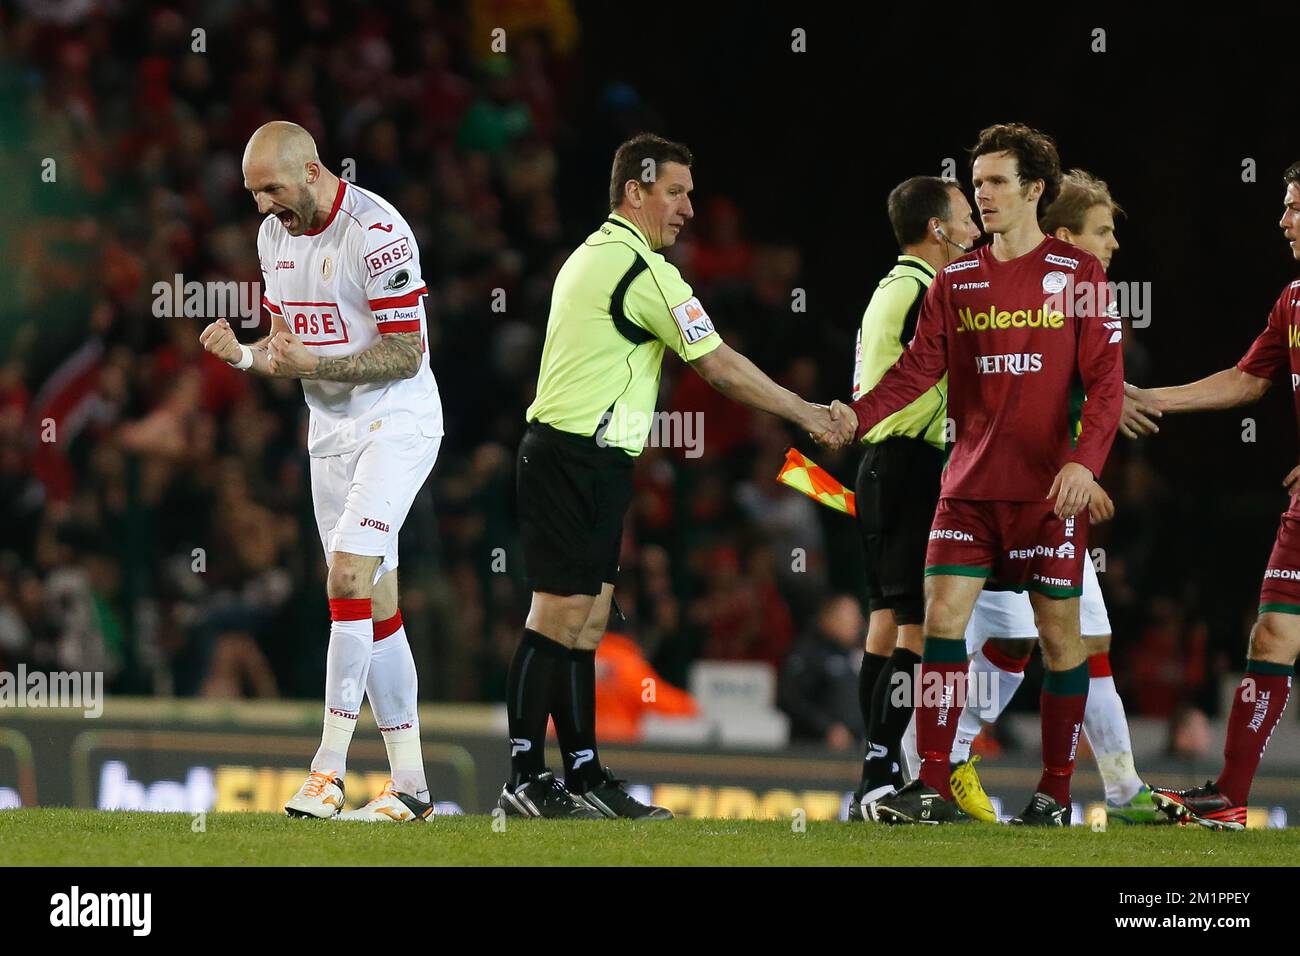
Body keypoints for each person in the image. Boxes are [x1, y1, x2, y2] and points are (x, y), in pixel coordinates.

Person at [500, 132, 852, 819]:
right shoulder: (642, 270)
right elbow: (717, 365)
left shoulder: (593, 256)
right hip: (571, 455)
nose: (689, 207)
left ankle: (582, 775)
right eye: (677, 192)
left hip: (592, 459)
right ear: (637, 190)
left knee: (588, 621)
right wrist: (805, 412)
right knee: (559, 613)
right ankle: (523, 773)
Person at [843, 124, 1124, 825]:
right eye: (977, 184)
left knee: (1062, 641)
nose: (983, 195)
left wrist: (1084, 465)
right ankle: (932, 783)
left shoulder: (1078, 275)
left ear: (1036, 189)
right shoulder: (956, 279)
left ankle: (1055, 793)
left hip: (1045, 494)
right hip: (965, 488)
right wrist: (853, 417)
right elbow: (917, 369)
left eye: (997, 183)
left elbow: (1108, 383)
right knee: (940, 622)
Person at [199, 121, 442, 822]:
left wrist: (320, 367)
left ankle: (327, 770)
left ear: (311, 172)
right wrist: (242, 356)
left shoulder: (377, 233)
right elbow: (284, 350)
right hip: (330, 433)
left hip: (397, 423)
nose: (261, 206)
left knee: (344, 577)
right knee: (378, 603)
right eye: (252, 194)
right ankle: (413, 788)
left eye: (269, 188)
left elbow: (407, 352)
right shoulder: (273, 237)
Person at [948, 170, 1162, 825]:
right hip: (995, 502)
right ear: (1064, 237)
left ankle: (1122, 790)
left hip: (1049, 506)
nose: (1114, 244)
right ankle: (935, 763)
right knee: (1017, 645)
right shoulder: (1011, 295)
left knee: (1082, 640)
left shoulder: (1081, 299)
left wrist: (1088, 444)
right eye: (1103, 231)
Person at [1123, 162, 1300, 830]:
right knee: (1275, 630)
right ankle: (1230, 794)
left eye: (1295, 207)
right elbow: (1246, 380)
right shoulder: (1292, 299)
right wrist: (1149, 398)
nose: (1284, 220)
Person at [847, 176, 981, 820]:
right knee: (922, 629)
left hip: (882, 466)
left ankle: (876, 774)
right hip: (910, 466)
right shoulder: (928, 291)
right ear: (938, 229)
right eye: (966, 219)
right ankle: (880, 773)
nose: (976, 232)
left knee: (885, 625)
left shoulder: (890, 289)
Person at [779, 593, 870, 748]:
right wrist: (827, 728)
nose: (858, 622)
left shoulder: (857, 655)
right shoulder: (807, 654)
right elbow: (790, 699)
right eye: (850, 616)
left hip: (853, 751)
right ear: (829, 618)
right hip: (811, 751)